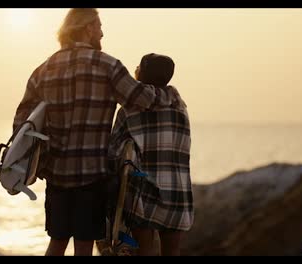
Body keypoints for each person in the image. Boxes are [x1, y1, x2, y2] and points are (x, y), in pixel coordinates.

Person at [12, 9, 180, 256]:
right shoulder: (108, 66)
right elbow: (142, 99)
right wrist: (170, 93)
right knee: (84, 244)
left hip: (56, 174)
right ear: (88, 28)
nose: (102, 32)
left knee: (57, 242)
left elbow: (21, 122)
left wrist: (34, 164)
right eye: (99, 26)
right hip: (91, 175)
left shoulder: (44, 69)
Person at [108, 53, 194, 256]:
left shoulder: (129, 110)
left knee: (143, 251)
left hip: (142, 191)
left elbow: (113, 152)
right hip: (176, 188)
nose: (135, 69)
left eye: (138, 66)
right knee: (172, 252)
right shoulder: (180, 107)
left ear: (143, 73)